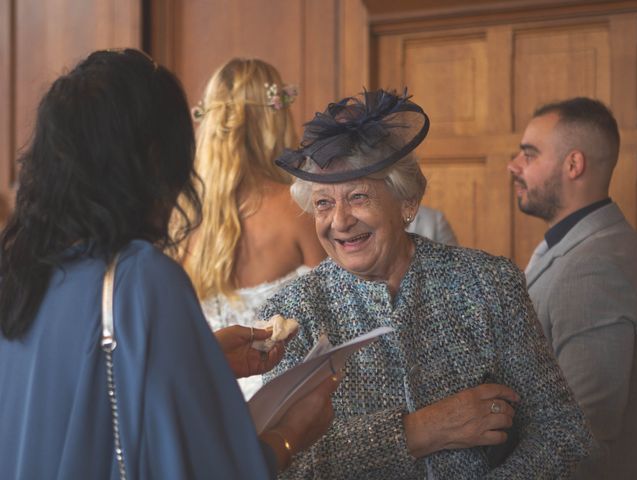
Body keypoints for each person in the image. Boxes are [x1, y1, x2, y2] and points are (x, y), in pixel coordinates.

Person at [0, 49, 339, 479]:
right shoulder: (140, 278)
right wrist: (291, 432)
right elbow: (214, 469)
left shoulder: (22, 273)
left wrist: (202, 359)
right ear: (156, 159)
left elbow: (80, 396)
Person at [259, 89, 593, 479]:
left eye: (358, 196)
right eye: (323, 204)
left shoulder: (487, 283)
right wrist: (419, 431)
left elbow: (561, 430)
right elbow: (284, 464)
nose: (340, 221)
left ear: (408, 202)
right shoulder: (294, 313)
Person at [508, 97, 637, 479]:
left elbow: (583, 433)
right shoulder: (576, 244)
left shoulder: (594, 268)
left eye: (529, 155)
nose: (513, 166)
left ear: (573, 164)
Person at [178, 58, 326, 399]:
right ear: (274, 119)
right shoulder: (298, 209)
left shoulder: (181, 217)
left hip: (204, 399)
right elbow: (338, 310)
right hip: (281, 403)